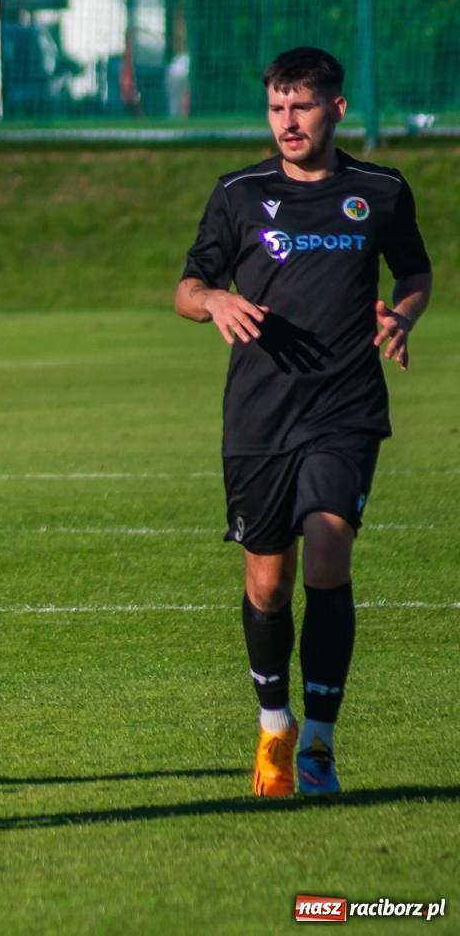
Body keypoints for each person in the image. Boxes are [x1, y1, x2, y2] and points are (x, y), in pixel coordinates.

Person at [175, 47, 432, 798]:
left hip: (344, 407)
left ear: (336, 109)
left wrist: (402, 316)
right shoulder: (240, 194)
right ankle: (275, 726)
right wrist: (214, 301)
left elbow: (414, 271)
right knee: (267, 583)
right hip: (258, 413)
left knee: (328, 551)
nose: (288, 122)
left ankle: (319, 745)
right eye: (277, 107)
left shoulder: (378, 192)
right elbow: (189, 285)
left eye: (303, 106)